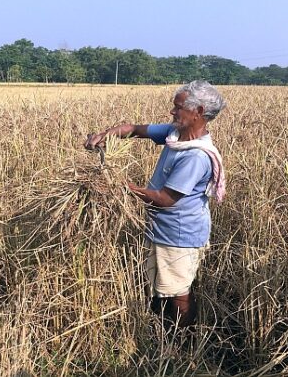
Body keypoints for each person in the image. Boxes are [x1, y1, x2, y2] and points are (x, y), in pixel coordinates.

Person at [84, 80, 226, 330]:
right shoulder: (176, 134)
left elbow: (165, 199)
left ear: (199, 112)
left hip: (179, 233)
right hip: (161, 227)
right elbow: (135, 129)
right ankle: (164, 331)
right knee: (163, 286)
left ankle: (184, 342)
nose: (172, 112)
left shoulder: (195, 156)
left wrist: (120, 185)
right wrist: (105, 136)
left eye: (178, 108)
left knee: (179, 290)